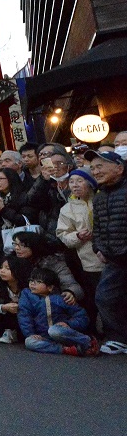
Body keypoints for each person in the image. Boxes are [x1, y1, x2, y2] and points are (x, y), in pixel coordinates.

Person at [85, 150, 127, 355]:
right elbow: (98, 227)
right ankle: (119, 337)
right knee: (105, 297)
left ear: (119, 168)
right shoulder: (99, 197)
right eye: (93, 168)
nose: (95, 171)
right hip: (113, 258)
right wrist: (97, 247)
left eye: (100, 166)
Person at [56, 168, 103, 331]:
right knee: (94, 296)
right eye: (71, 182)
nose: (74, 185)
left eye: (79, 181)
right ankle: (98, 330)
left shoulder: (102, 200)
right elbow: (62, 234)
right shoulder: (67, 208)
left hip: (111, 255)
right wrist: (78, 236)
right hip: (87, 259)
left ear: (90, 183)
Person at [18, 267, 97, 356]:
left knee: (54, 330)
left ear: (50, 287)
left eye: (38, 282)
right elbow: (24, 316)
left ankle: (89, 342)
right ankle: (67, 349)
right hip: (43, 337)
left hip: (61, 333)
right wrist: (30, 333)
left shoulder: (60, 298)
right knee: (29, 342)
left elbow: (82, 316)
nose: (32, 283)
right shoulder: (27, 296)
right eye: (31, 280)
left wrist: (69, 324)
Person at [10, 231, 83, 304]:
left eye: (22, 245)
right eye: (15, 244)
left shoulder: (53, 263)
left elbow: (72, 286)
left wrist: (70, 293)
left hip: (50, 304)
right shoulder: (12, 263)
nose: (16, 248)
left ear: (34, 246)